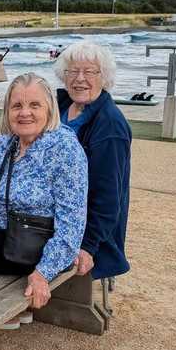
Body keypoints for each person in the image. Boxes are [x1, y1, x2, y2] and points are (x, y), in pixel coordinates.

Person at [0, 73, 88, 325]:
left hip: (29, 246)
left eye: (34, 105)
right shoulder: (4, 144)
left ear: (49, 110)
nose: (25, 113)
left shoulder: (65, 150)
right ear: (7, 111)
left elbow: (72, 226)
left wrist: (43, 274)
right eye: (17, 105)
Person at [53, 41, 131, 282]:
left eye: (89, 72)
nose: (80, 79)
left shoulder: (110, 126)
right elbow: (30, 136)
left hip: (83, 225)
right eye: (73, 71)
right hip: (56, 209)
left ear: (103, 77)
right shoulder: (60, 106)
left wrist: (88, 246)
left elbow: (108, 197)